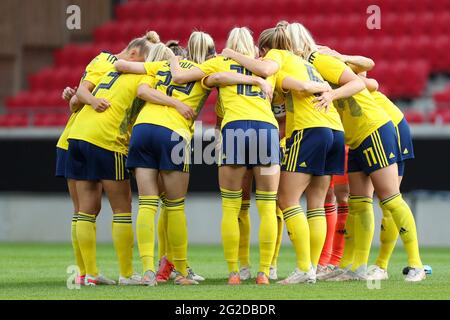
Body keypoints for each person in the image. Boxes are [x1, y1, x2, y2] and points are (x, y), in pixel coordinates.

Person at [220, 24, 361, 284]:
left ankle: (303, 268)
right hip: (334, 130)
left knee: (286, 199)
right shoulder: (308, 61)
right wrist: (328, 92)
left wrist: (231, 53)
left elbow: (268, 71)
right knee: (316, 204)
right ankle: (314, 268)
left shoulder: (276, 56)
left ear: (265, 49)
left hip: (309, 130)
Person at [285, 22, 425, 282]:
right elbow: (369, 82)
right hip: (356, 136)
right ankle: (358, 267)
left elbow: (363, 81)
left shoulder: (317, 59)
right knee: (359, 203)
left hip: (375, 127)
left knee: (390, 197)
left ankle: (414, 264)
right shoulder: (304, 69)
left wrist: (333, 92)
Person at [169, 27, 281, 285]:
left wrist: (172, 57)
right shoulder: (267, 64)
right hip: (266, 129)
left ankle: (234, 272)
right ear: (251, 45)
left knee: (231, 208)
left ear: (229, 44)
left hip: (235, 129)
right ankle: (264, 271)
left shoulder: (218, 61)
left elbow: (183, 77)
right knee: (267, 206)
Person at [57, 31, 160, 286]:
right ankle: (126, 274)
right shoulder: (139, 73)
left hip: (77, 135)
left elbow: (76, 100)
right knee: (122, 208)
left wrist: (84, 100)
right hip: (107, 140)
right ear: (136, 56)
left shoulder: (110, 72)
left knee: (84, 210)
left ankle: (88, 274)